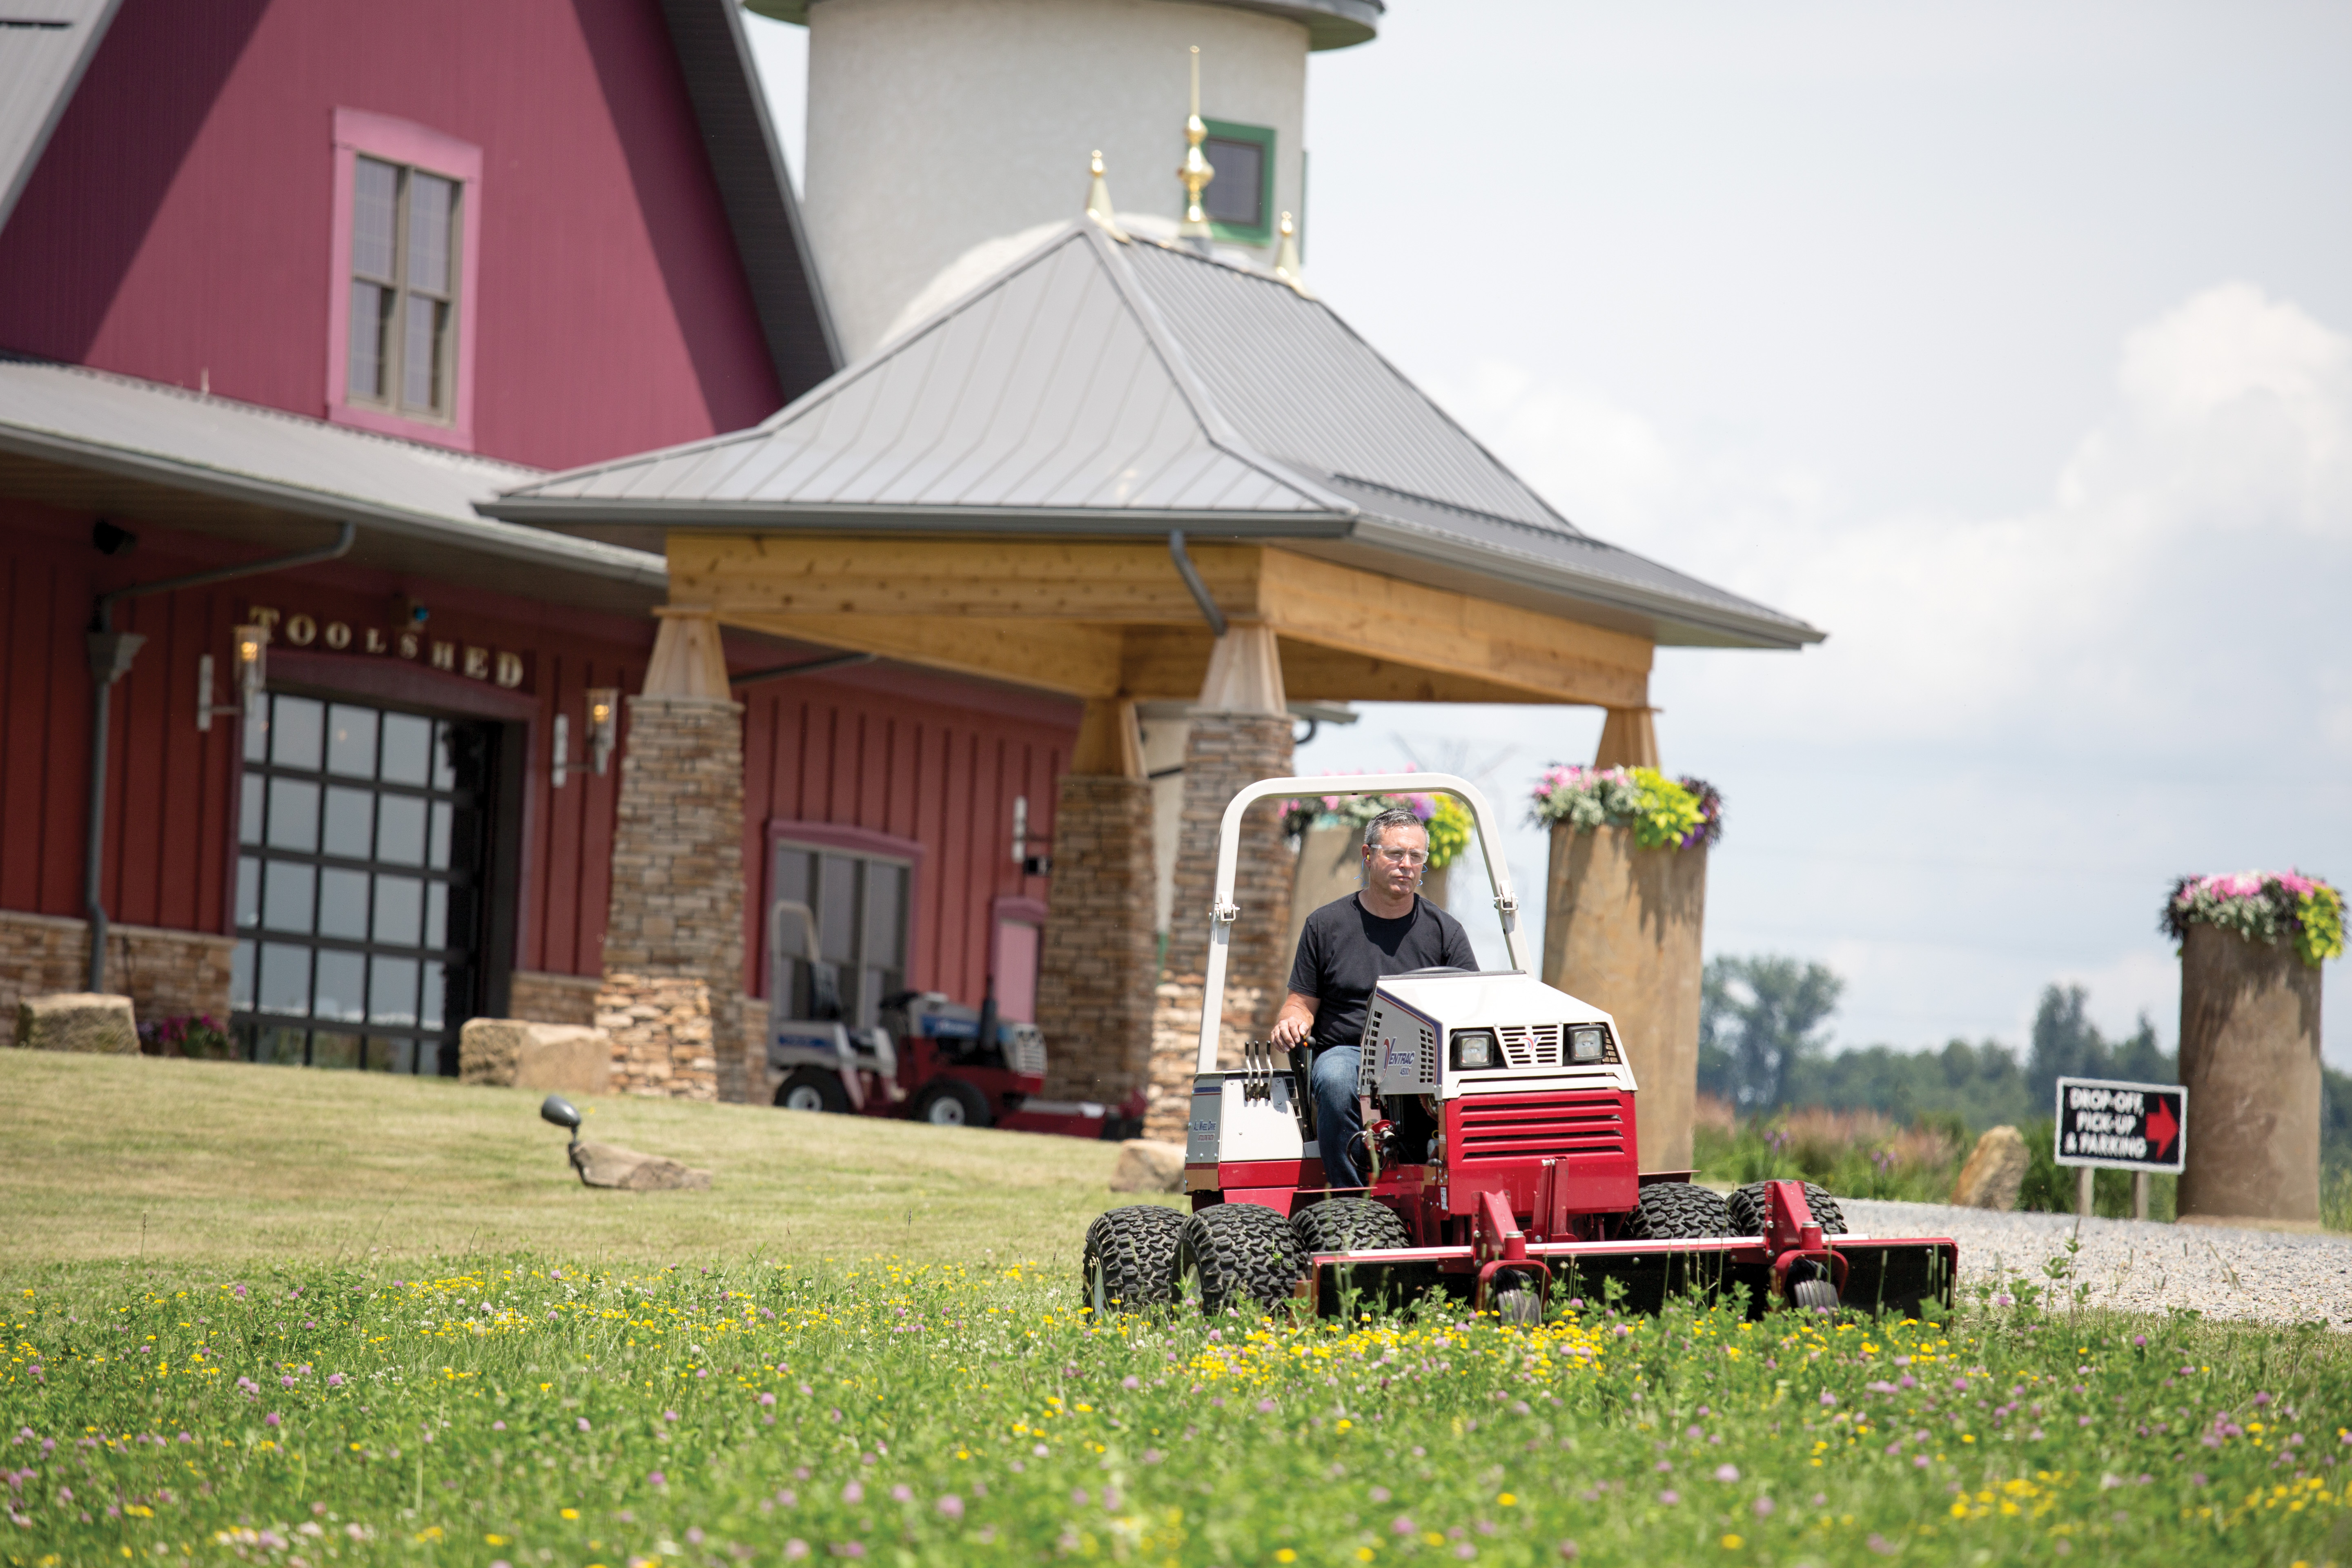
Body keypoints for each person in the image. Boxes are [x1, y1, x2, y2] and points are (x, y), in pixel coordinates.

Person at [1270, 805, 1476, 1187]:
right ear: (1368, 855)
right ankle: (1350, 1200)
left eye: (1416, 856)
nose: (1406, 865)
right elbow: (1300, 1003)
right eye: (1395, 854)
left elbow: (1471, 1007)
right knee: (1335, 1079)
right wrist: (1291, 1021)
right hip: (1350, 1050)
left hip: (1425, 1055)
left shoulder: (1446, 932)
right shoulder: (1325, 926)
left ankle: (1443, 1185)